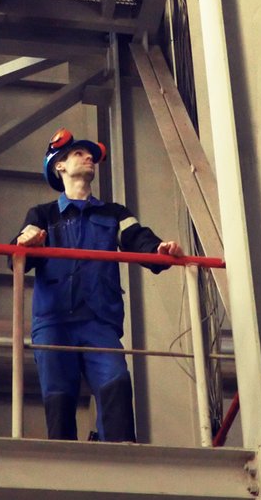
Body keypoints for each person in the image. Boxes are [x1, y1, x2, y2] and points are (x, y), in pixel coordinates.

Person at [14, 130, 182, 442]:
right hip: (53, 321)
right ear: (59, 166)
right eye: (79, 154)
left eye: (90, 155)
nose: (89, 158)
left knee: (116, 381)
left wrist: (159, 251)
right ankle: (62, 463)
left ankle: (121, 458)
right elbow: (16, 255)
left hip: (98, 321)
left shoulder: (113, 213)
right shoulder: (43, 215)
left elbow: (138, 239)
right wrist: (26, 243)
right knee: (59, 395)